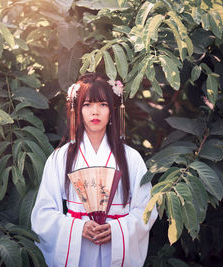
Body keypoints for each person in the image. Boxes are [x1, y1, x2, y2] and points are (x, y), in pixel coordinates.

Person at [31, 73, 157, 267]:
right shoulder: (61, 157)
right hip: (78, 247)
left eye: (103, 105)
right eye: (87, 104)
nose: (95, 112)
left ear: (113, 110)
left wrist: (117, 229)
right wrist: (77, 227)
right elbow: (43, 213)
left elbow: (146, 210)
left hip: (115, 247)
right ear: (77, 109)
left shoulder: (131, 158)